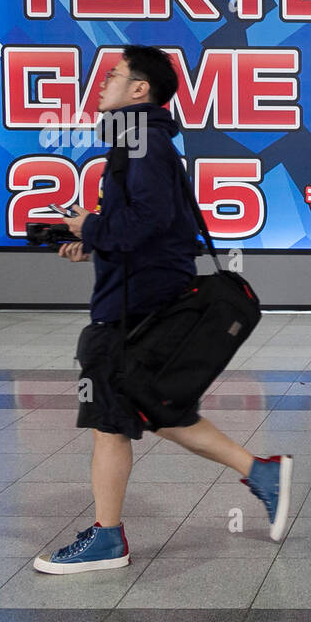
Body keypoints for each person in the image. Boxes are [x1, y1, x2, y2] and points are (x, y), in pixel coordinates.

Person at [33, 45, 291, 574]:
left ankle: (108, 539)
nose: (102, 83)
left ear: (139, 89)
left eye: (113, 75)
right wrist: (94, 239)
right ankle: (261, 473)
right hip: (139, 299)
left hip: (132, 311)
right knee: (146, 406)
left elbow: (149, 221)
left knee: (114, 417)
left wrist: (94, 228)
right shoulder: (138, 142)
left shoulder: (143, 145)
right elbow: (149, 228)